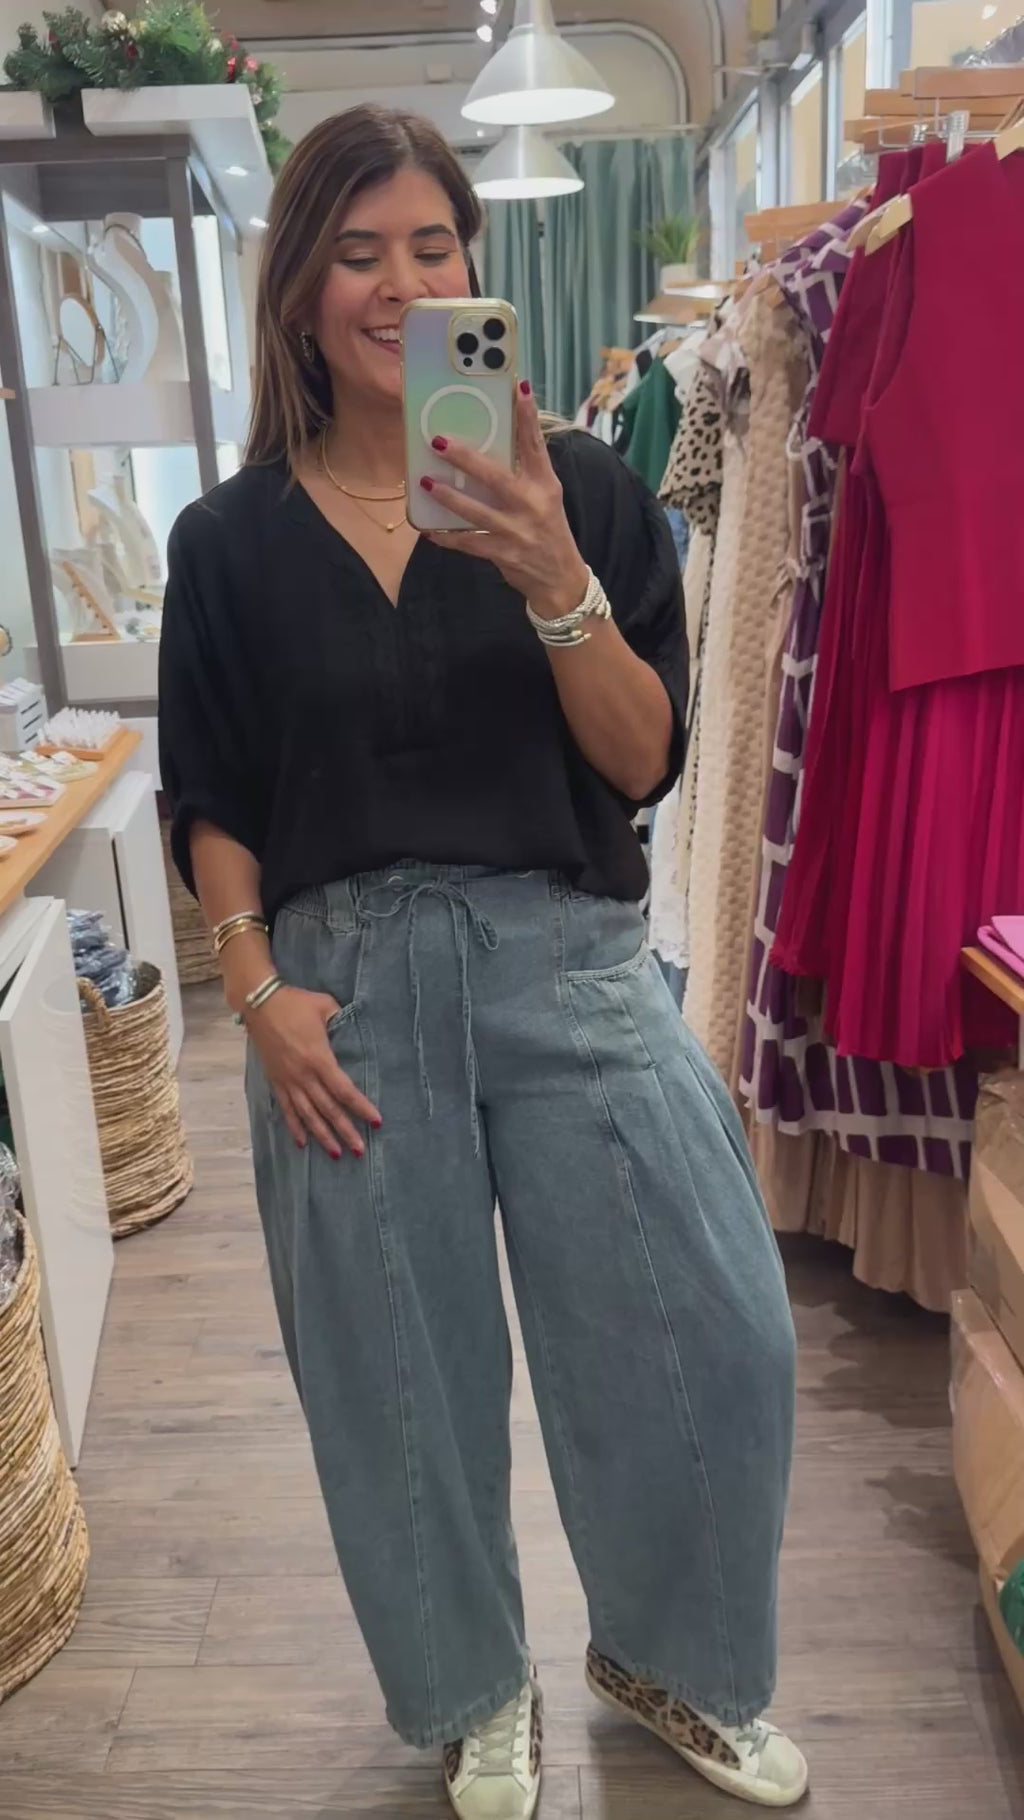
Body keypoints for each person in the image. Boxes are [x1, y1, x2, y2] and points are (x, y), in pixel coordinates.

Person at [159, 104, 805, 1820]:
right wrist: (257, 997)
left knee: (712, 1335)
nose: (398, 284)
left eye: (431, 247)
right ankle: (472, 1691)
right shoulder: (226, 544)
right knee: (397, 1378)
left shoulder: (581, 489)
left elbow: (644, 756)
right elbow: (210, 793)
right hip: (343, 997)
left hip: (569, 965)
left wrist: (551, 571)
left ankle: (670, 1660)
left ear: (475, 272)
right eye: (356, 254)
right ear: (300, 295)